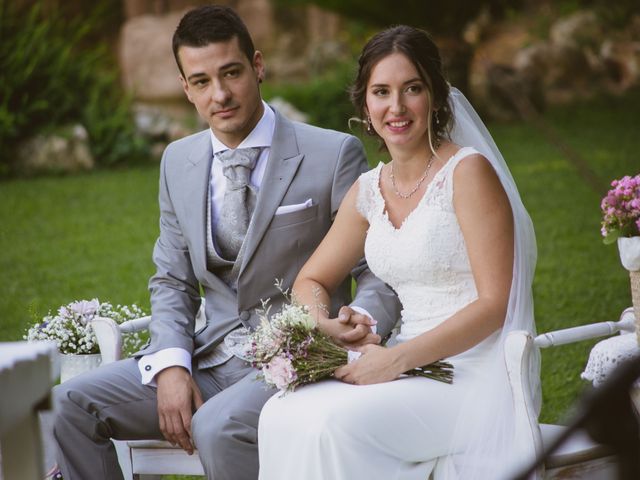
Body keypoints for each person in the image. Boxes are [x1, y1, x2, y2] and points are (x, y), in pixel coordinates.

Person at [51, 5, 400, 480]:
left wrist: (361, 327)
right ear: (185, 88)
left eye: (231, 73)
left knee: (217, 427)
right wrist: (171, 365)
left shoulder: (332, 154)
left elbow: (376, 271)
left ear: (257, 66)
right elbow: (172, 278)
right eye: (200, 81)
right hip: (206, 358)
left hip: (296, 360)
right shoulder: (178, 161)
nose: (220, 95)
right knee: (70, 404)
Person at [258, 25, 539, 480]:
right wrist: (327, 325)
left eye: (412, 89)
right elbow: (310, 281)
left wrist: (398, 359)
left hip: (473, 376)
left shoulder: (468, 173)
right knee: (279, 414)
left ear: (435, 97)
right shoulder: (370, 189)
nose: (397, 107)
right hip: (405, 364)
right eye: (381, 92)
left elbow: (496, 303)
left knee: (331, 426)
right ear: (365, 105)